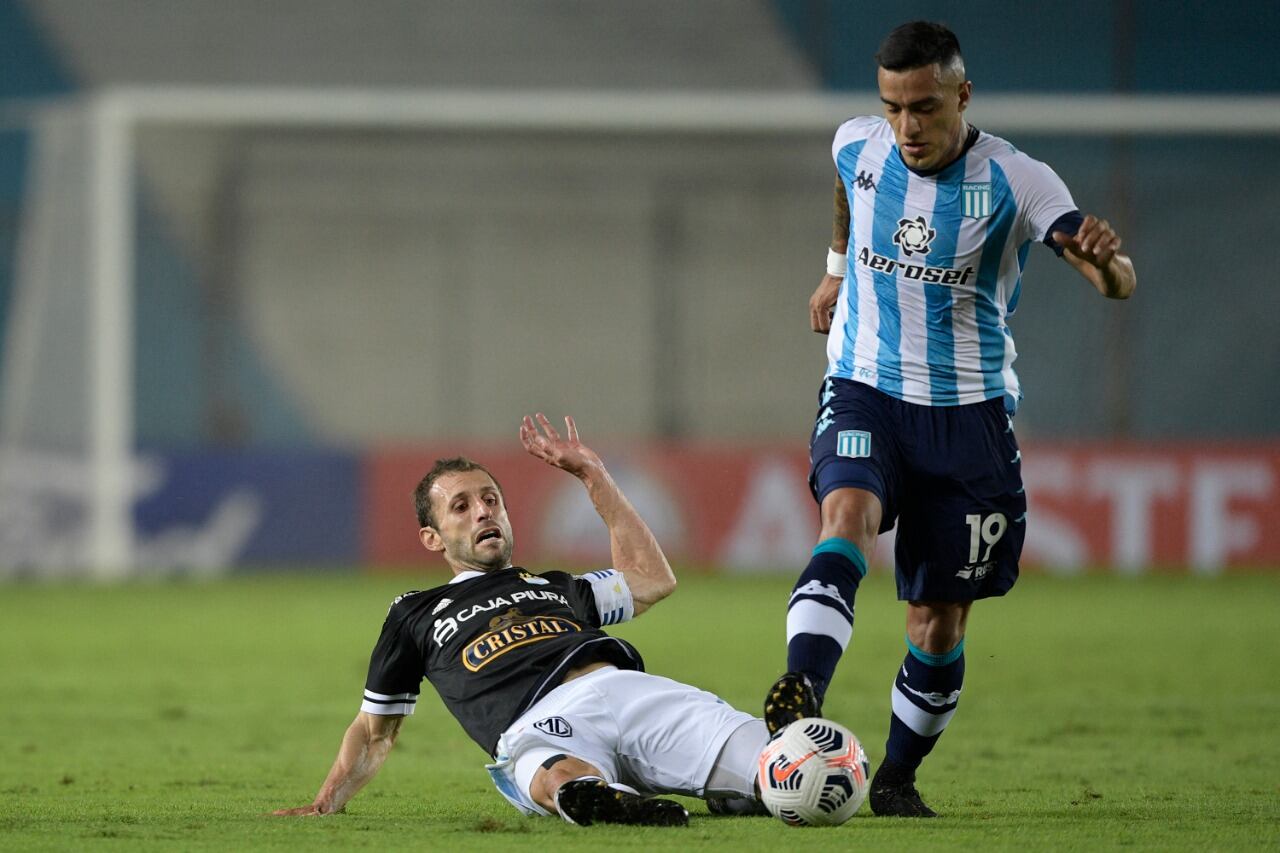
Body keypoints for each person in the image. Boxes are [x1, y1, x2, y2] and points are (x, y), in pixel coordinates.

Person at [762, 21, 1136, 818]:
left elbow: (1112, 282)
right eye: (894, 107)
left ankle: (896, 775)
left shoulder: (1017, 179)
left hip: (969, 417)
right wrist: (835, 270)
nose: (908, 126)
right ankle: (801, 695)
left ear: (961, 95)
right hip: (864, 384)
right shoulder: (856, 146)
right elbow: (844, 191)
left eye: (925, 107)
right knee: (847, 514)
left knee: (936, 621)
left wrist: (1108, 262)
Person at [274, 414, 771, 826]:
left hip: (626, 691)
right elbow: (375, 729)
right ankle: (605, 800)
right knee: (549, 774)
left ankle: (758, 776)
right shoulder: (416, 613)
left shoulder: (554, 586)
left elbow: (651, 579)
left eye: (491, 499)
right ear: (432, 538)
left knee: (779, 763)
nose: (483, 512)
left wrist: (594, 475)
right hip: (539, 725)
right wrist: (327, 801)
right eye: (461, 507)